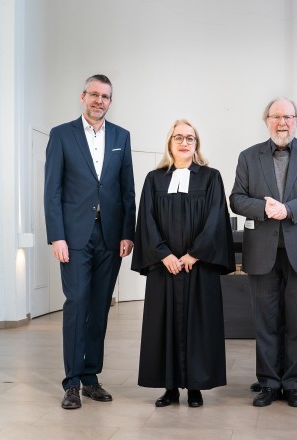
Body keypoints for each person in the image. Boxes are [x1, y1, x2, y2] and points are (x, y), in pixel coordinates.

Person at [230, 98, 297, 408]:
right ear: (267, 121)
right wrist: (265, 208)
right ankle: (269, 383)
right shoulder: (248, 156)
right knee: (266, 320)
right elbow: (236, 199)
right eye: (276, 116)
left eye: (288, 116)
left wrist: (287, 209)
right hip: (263, 251)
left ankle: (293, 384)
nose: (282, 122)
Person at [44, 74, 136, 409]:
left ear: (111, 102)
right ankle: (71, 383)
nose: (99, 101)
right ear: (83, 96)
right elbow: (52, 191)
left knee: (99, 308)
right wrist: (57, 236)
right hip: (74, 236)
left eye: (105, 97)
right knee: (77, 303)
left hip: (110, 237)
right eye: (94, 94)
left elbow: (128, 191)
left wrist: (129, 233)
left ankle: (91, 377)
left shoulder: (121, 137)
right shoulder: (62, 135)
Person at [131, 119, 235, 408]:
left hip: (197, 266)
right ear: (170, 142)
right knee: (163, 326)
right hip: (165, 268)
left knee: (199, 326)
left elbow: (216, 218)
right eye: (179, 137)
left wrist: (194, 254)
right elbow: (147, 220)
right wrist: (164, 255)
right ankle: (169, 388)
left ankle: (196, 387)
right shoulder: (155, 179)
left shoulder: (210, 177)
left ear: (196, 144)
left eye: (190, 138)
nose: (184, 142)